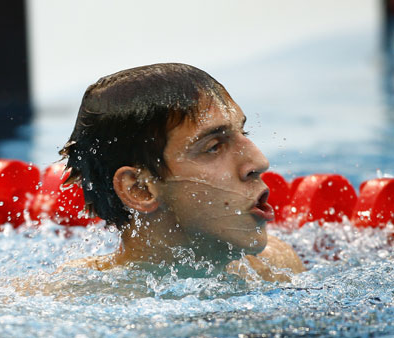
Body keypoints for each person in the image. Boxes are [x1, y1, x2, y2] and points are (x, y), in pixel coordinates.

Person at [57, 63, 304, 281]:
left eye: (243, 133)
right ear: (139, 189)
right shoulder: (68, 300)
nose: (259, 162)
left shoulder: (276, 267)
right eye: (214, 147)